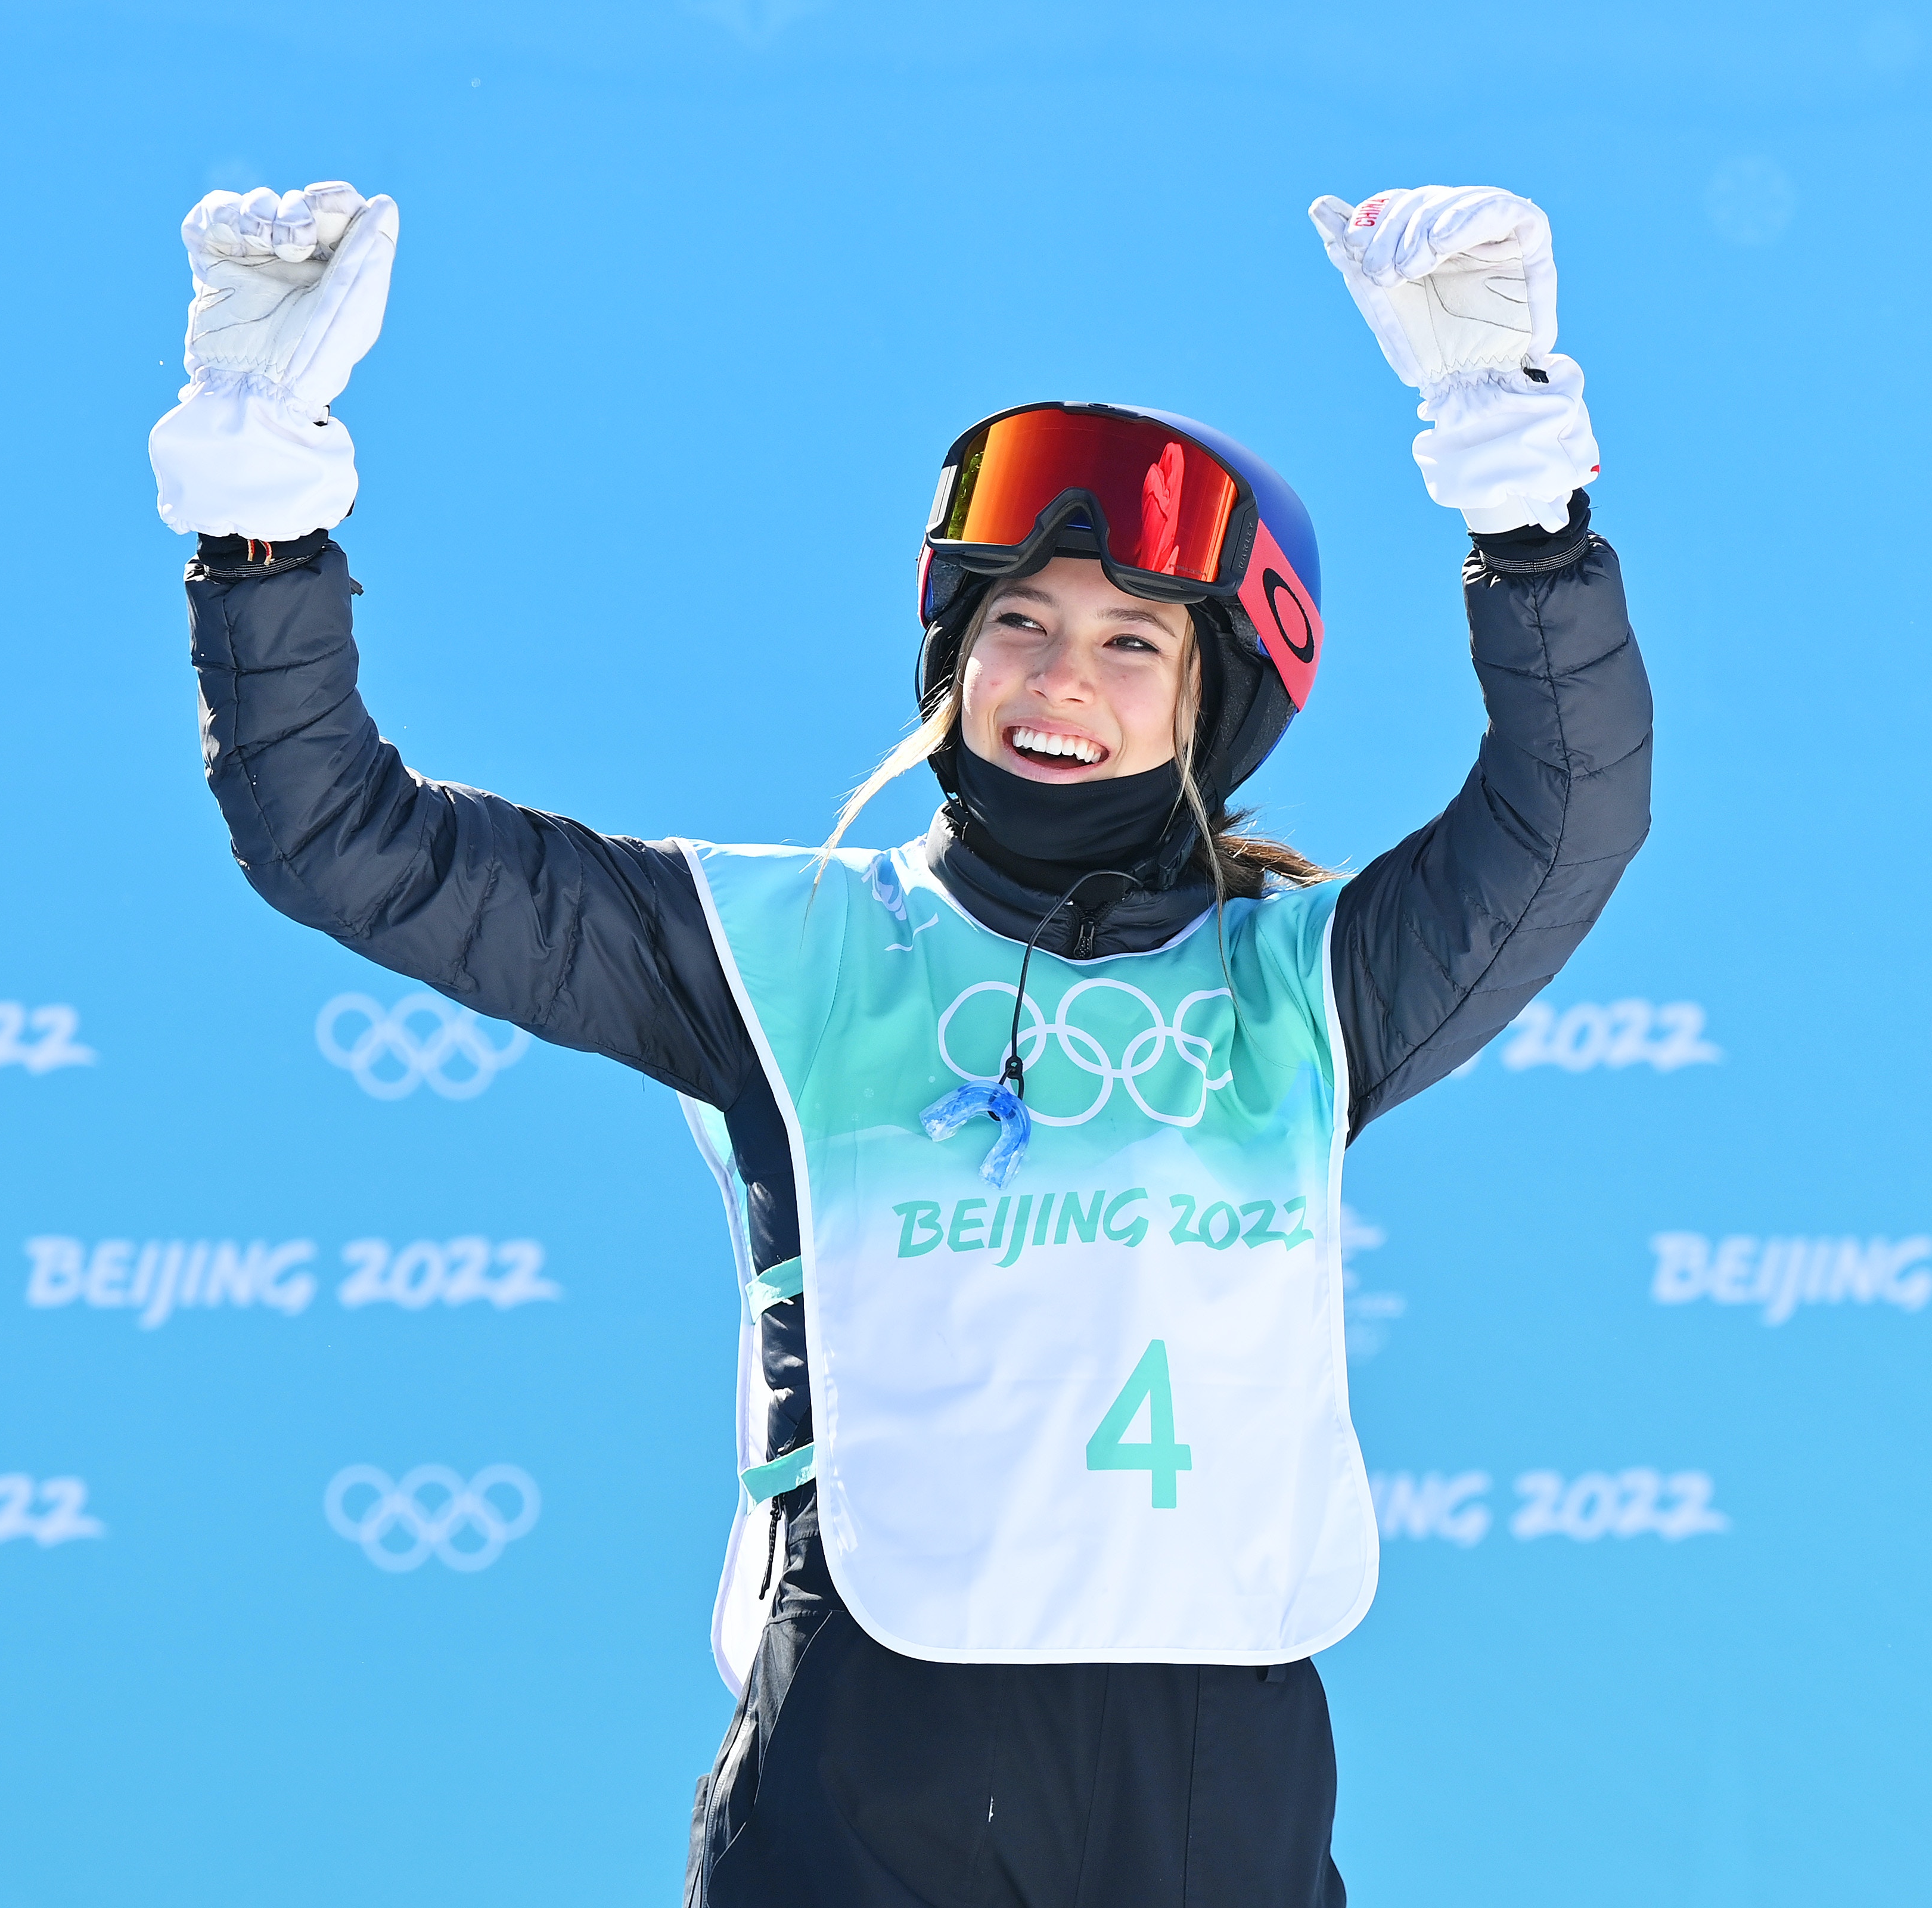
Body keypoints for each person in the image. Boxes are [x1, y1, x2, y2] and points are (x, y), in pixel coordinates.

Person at [149, 179, 1650, 1908]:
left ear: (1214, 701)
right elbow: (341, 836)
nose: (1058, 679)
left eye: (1129, 642)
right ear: (952, 657)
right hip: (870, 1764)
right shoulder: (775, 951)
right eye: (1019, 623)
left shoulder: (1304, 988)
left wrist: (1520, 492)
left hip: (1211, 1782)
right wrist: (258, 510)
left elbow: (1567, 816)